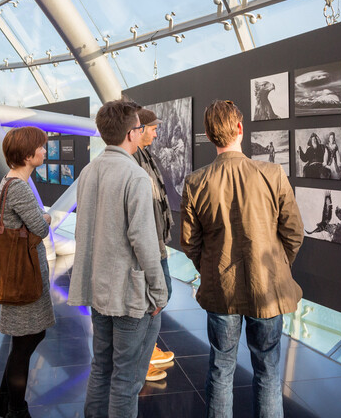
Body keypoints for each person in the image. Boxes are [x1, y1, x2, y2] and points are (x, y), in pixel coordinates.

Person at [181, 100, 304, 418]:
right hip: (267, 291)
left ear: (209, 135)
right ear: (239, 128)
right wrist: (278, 267)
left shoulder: (196, 182)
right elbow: (294, 233)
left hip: (221, 291)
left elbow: (190, 243)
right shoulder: (272, 174)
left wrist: (210, 269)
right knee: (268, 371)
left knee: (221, 370)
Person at [68, 98, 168, 417]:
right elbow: (143, 240)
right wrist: (159, 288)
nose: (142, 133)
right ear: (130, 134)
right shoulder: (135, 176)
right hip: (127, 294)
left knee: (101, 367)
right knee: (126, 377)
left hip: (96, 289)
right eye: (140, 128)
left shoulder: (88, 171)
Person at [0, 126, 56, 418]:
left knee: (26, 339)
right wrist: (46, 216)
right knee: (26, 341)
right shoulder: (18, 187)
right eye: (41, 147)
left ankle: (0, 402)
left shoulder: (9, 181)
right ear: (28, 154)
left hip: (18, 273)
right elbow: (40, 227)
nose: (44, 151)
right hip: (24, 275)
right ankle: (17, 409)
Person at [133, 108, 175, 369]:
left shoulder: (144, 156)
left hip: (156, 241)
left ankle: (147, 349)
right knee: (158, 294)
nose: (157, 133)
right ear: (140, 129)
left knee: (162, 293)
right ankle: (144, 354)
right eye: (153, 128)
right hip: (150, 243)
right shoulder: (135, 162)